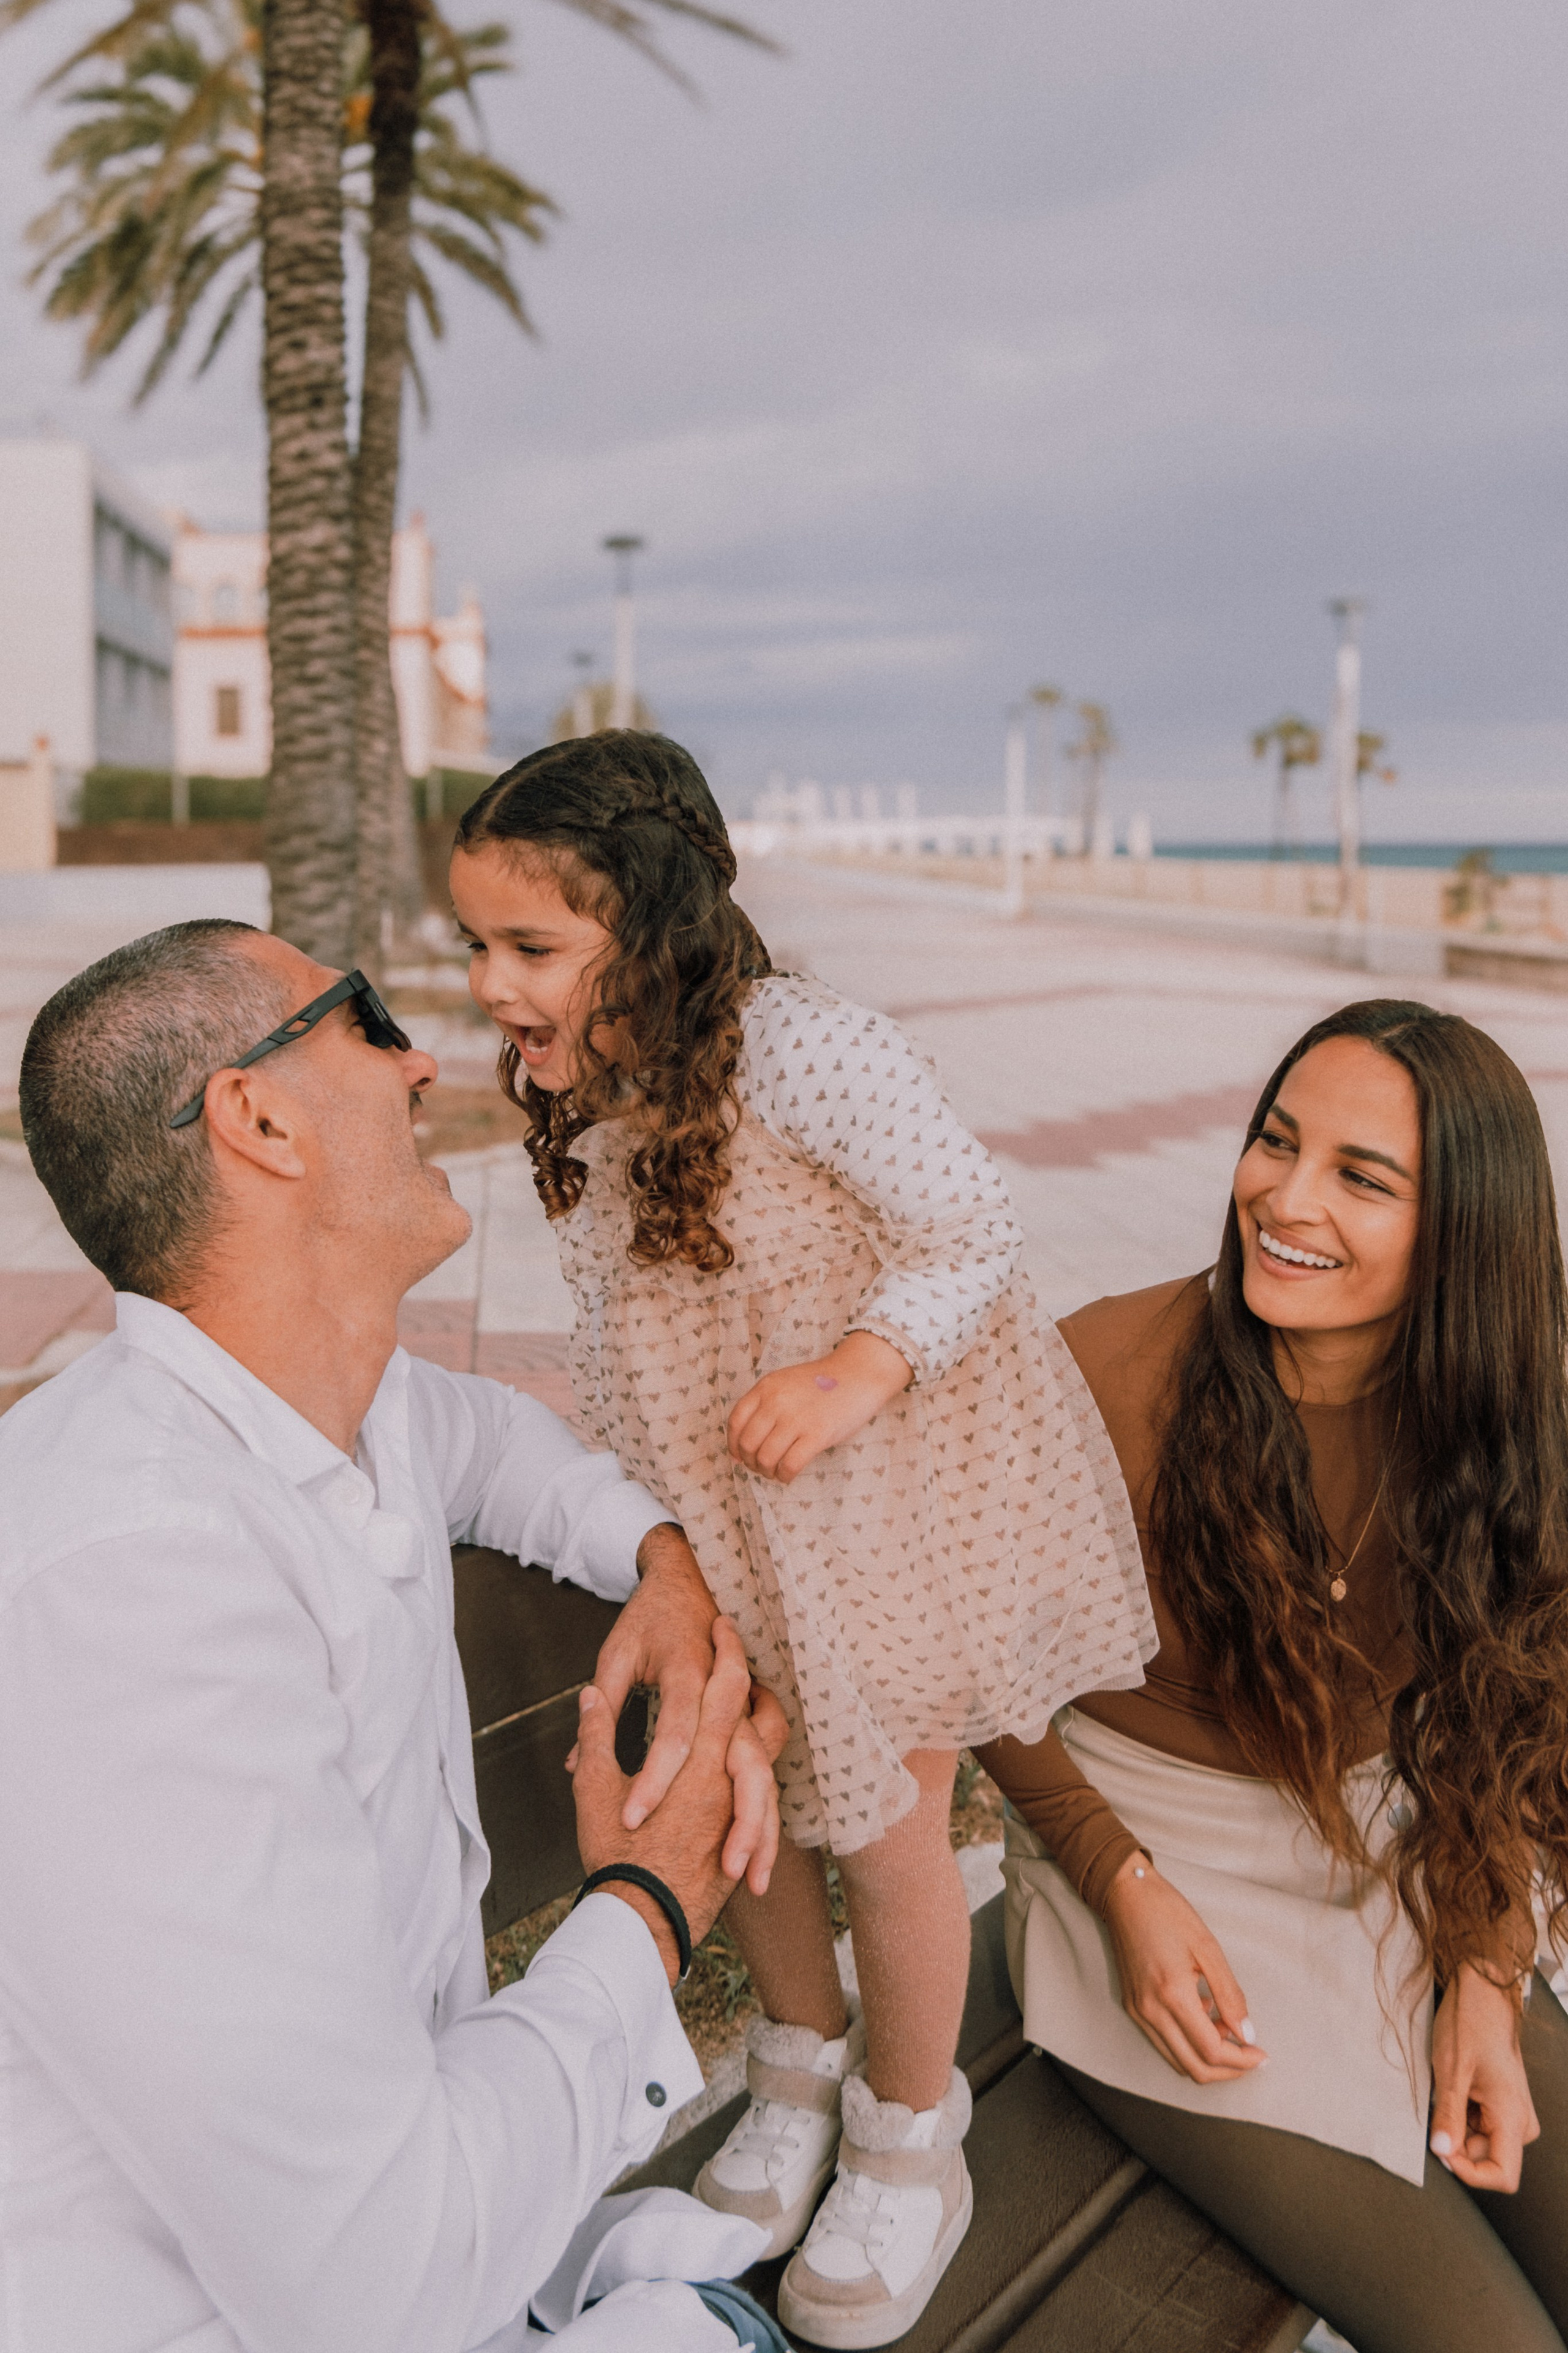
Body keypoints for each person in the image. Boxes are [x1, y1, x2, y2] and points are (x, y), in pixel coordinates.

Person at [0, 916, 798, 2353]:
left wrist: (662, 1566)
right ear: (258, 1120)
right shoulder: (130, 1592)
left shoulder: (318, 1397)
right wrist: (652, 1897)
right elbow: (379, 2278)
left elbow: (488, 1442)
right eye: (365, 1018)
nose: (424, 1060)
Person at [447, 728, 1155, 2347]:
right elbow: (626, 1317)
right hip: (725, 1512)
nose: (490, 984)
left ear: (654, 924)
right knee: (744, 1790)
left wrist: (855, 1368)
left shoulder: (806, 1050)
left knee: (888, 1825)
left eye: (530, 947)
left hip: (872, 1503)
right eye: (478, 945)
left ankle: (912, 2138)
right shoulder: (590, 1087)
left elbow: (967, 1223)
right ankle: (797, 2065)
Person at [978, 999, 1568, 2353]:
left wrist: (1487, 1964)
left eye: (1362, 1176)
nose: (1283, 1198)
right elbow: (959, 1661)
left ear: (1463, 1235)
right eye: (1277, 1140)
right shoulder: (1105, 1374)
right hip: (1141, 1857)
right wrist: (1119, 1884)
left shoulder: (1491, 1419)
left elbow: (1499, 1706)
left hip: (1388, 1845)